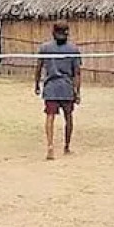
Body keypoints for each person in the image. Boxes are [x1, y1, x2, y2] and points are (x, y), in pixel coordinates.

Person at [33, 21, 82, 160]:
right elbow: (77, 73)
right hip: (66, 88)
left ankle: (50, 146)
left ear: (53, 33)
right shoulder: (73, 49)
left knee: (50, 116)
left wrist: (37, 84)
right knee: (68, 117)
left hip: (52, 88)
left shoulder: (45, 48)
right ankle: (66, 146)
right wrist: (77, 91)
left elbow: (38, 68)